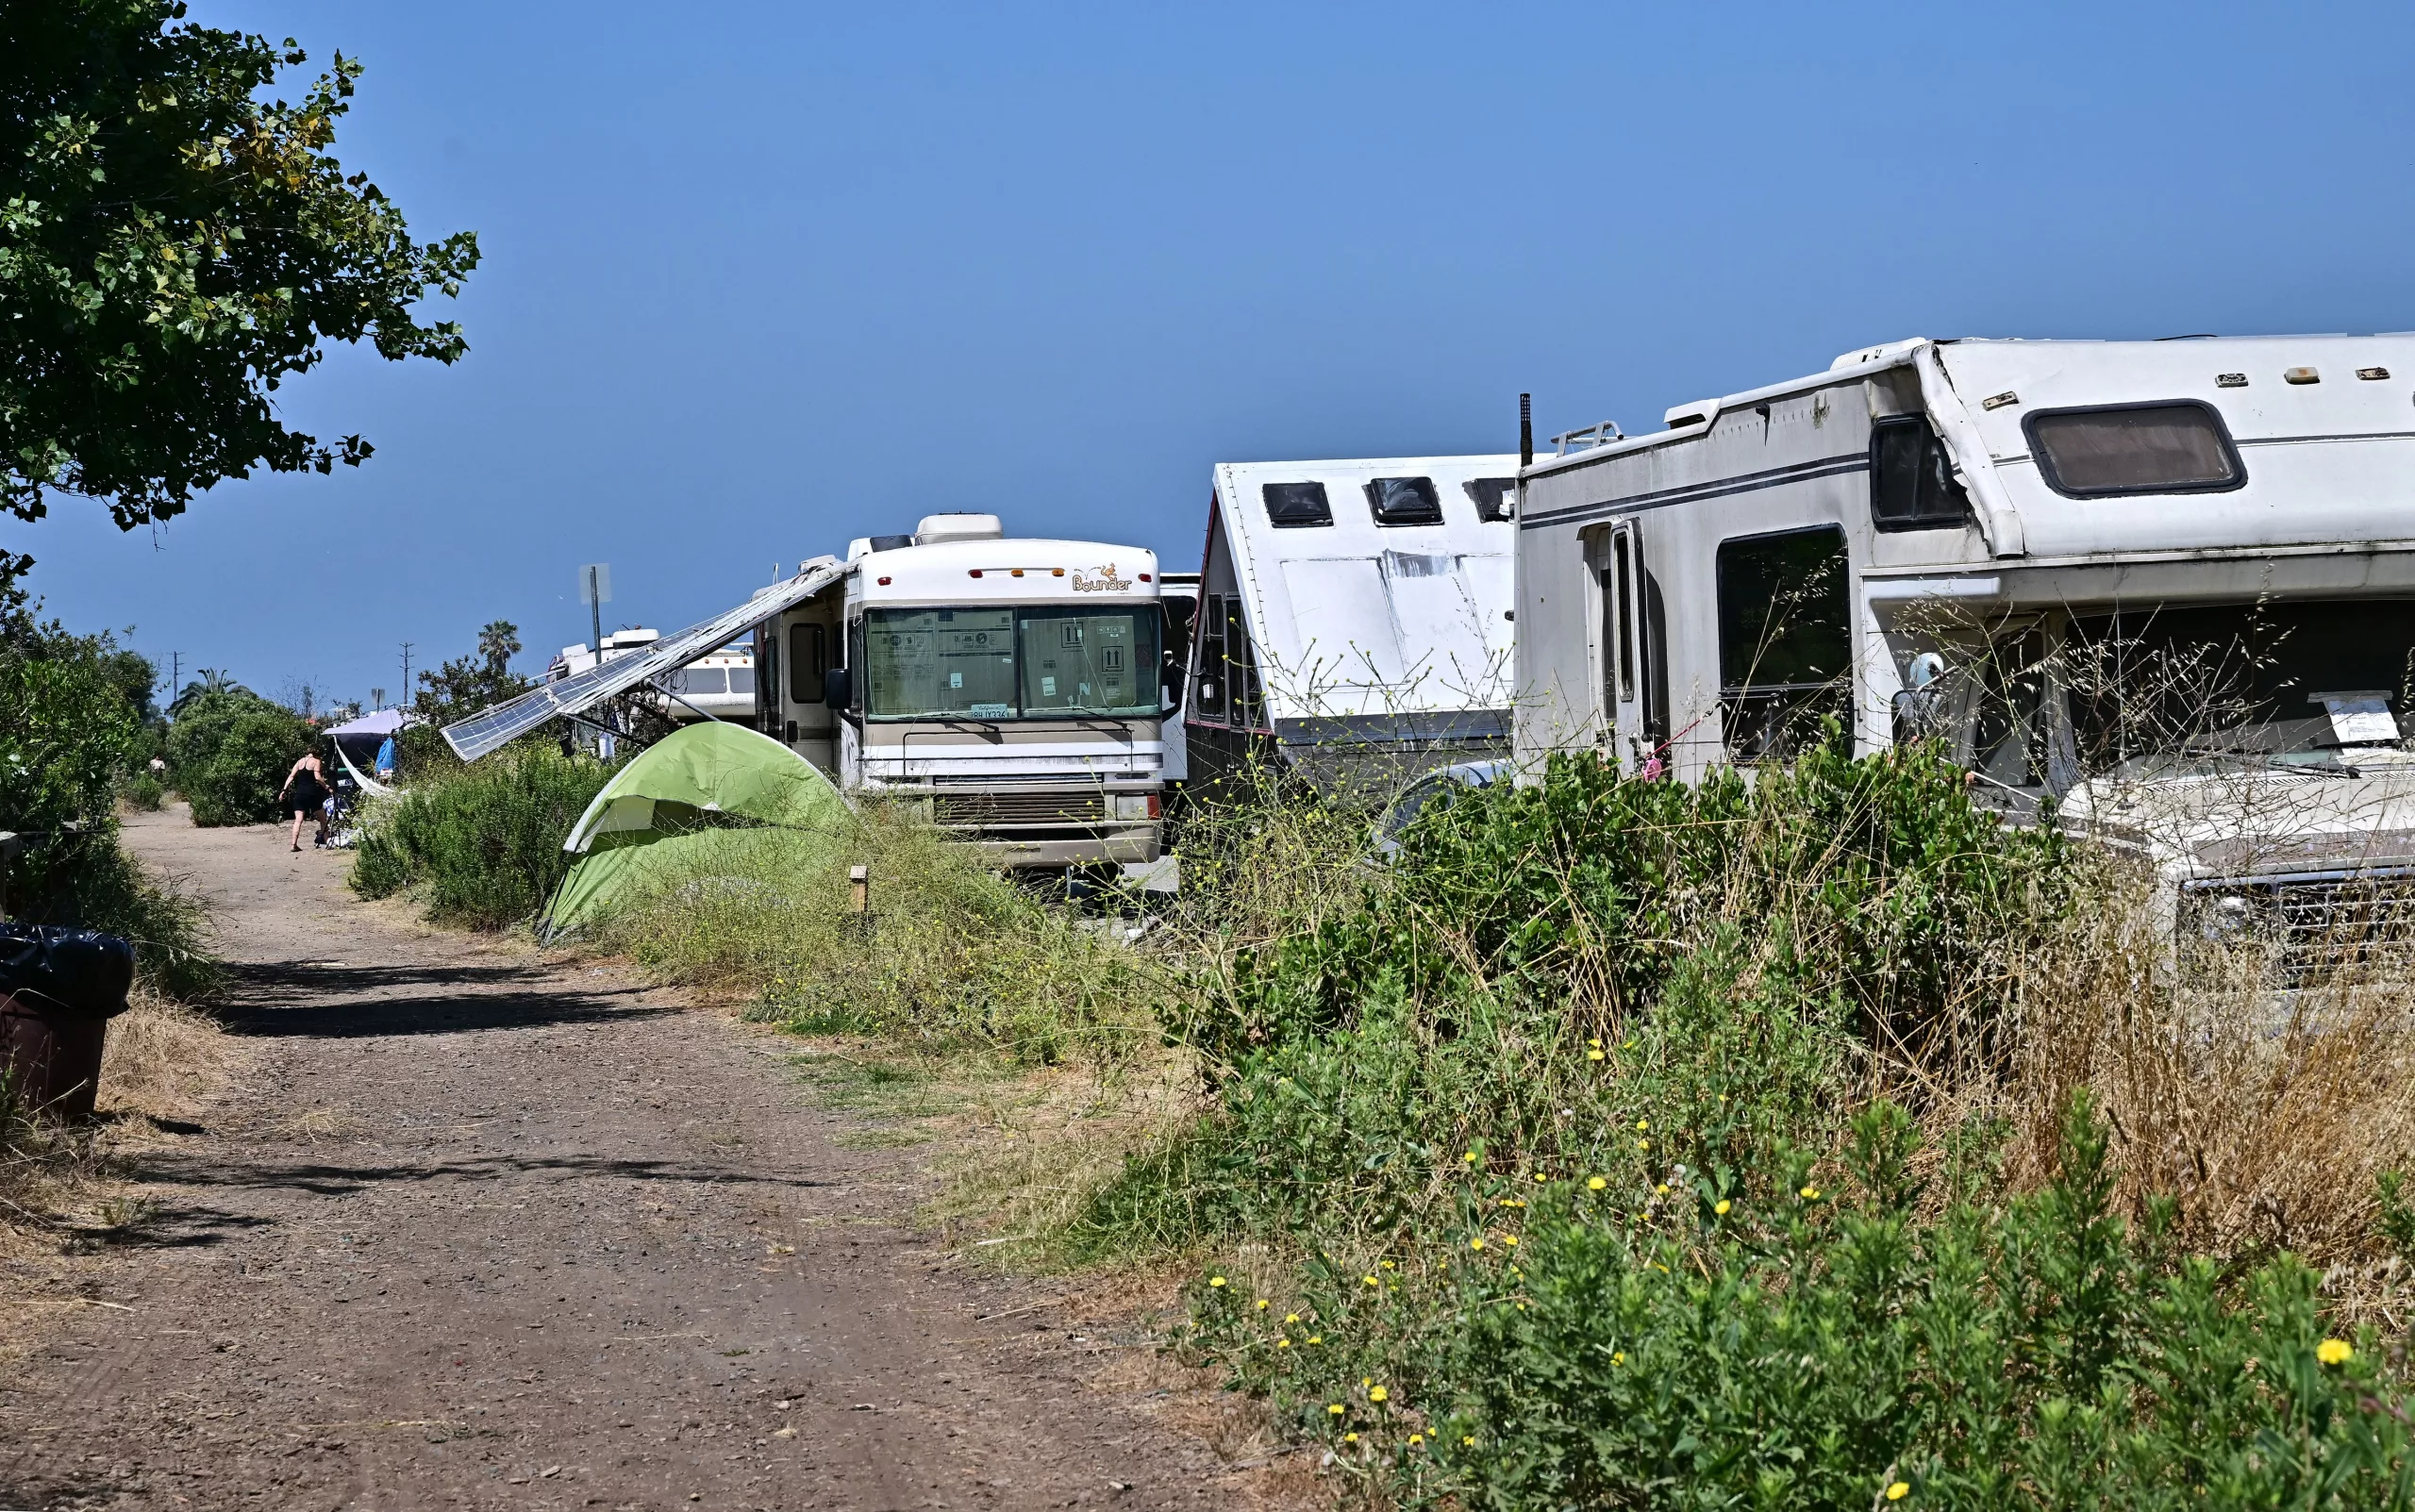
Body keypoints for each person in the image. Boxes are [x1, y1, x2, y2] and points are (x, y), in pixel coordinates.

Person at [278, 744, 331, 853]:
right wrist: (326, 787)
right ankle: (327, 841)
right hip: (312, 794)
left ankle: (293, 844)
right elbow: (317, 777)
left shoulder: (299, 761)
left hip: (300, 794)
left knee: (298, 820)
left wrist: (284, 790)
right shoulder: (316, 761)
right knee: (322, 818)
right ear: (317, 752)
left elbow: (291, 776)